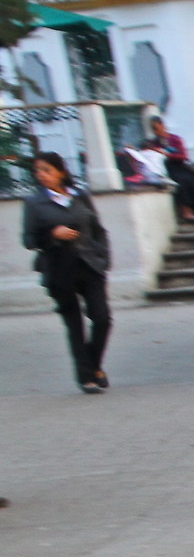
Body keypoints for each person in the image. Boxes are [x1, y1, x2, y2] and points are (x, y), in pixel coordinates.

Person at [20, 152, 113, 394]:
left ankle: (93, 366)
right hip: (58, 269)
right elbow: (28, 240)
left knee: (102, 318)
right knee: (75, 325)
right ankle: (87, 378)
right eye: (38, 171)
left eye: (46, 170)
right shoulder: (33, 203)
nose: (41, 175)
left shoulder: (80, 195)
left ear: (60, 171)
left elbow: (98, 230)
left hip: (90, 265)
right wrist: (52, 234)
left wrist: (103, 259)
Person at [149, 116, 194, 222]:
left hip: (180, 165)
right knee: (180, 182)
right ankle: (185, 209)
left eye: (157, 128)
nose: (156, 131)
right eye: (154, 129)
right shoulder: (154, 143)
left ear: (163, 126)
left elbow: (183, 156)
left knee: (191, 179)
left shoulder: (175, 139)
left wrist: (168, 154)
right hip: (168, 168)